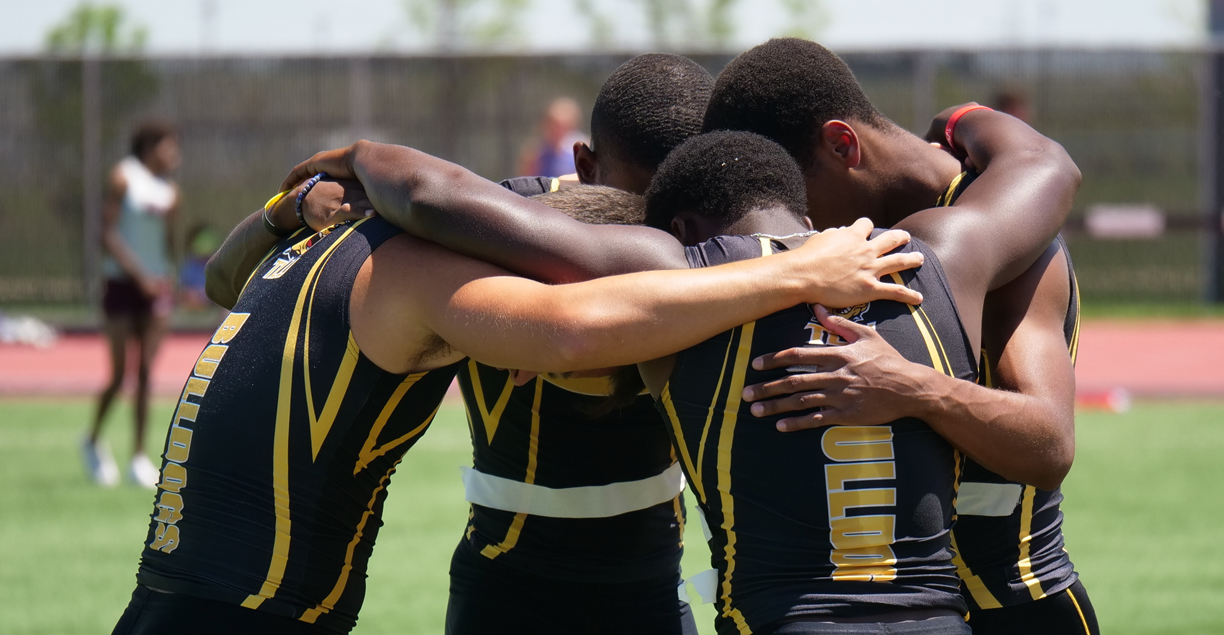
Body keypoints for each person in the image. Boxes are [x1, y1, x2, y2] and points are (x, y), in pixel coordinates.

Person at [278, 74, 1076, 632]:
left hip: (748, 612)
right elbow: (1043, 165)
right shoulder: (934, 258)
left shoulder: (682, 280)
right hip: (967, 614)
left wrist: (346, 165)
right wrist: (963, 117)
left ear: (683, 227)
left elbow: (435, 200)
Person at [112, 172, 919, 634]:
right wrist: (800, 272)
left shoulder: (322, 241)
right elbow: (570, 336)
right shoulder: (415, 267)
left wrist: (288, 204)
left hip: (172, 603)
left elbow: (223, 281)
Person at [210, 55, 724, 633]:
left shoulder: (717, 228)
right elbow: (224, 282)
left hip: (655, 586)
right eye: (645, 204)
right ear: (584, 163)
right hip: (507, 592)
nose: (663, 232)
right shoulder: (485, 223)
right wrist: (290, 207)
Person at [699, 39, 1096, 633]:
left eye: (792, 198)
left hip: (1015, 606)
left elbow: (1048, 446)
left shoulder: (1012, 243)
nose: (796, 229)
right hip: (903, 611)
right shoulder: (869, 246)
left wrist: (916, 389)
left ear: (842, 145)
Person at [84, 120, 182, 488]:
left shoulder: (171, 191)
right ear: (150, 146)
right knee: (119, 373)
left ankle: (139, 456)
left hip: (155, 290)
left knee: (144, 375)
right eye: (169, 146)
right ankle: (92, 440)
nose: (175, 154)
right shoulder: (124, 178)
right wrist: (138, 275)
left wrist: (173, 278)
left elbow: (168, 242)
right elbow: (105, 234)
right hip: (122, 285)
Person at [517, 96, 588, 178]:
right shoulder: (534, 153)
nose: (557, 130)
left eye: (563, 125)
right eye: (554, 125)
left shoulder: (582, 148)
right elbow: (526, 181)